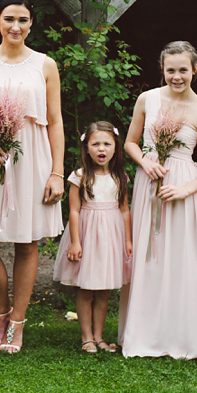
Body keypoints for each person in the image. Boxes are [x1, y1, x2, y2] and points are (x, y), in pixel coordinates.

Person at [0, 0, 65, 354]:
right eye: (9, 18)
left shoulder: (45, 65)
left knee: (27, 242)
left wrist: (57, 172)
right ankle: (2, 311)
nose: (16, 26)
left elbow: (54, 121)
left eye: (23, 19)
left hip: (32, 159)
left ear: (31, 23)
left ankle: (17, 324)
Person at [119, 40, 197, 359]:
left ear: (194, 69)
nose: (176, 77)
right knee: (149, 258)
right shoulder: (147, 99)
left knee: (180, 260)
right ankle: (144, 333)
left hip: (181, 189)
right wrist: (145, 162)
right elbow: (130, 143)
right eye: (170, 70)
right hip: (150, 183)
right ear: (162, 70)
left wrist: (186, 190)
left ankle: (183, 337)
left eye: (183, 70)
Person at [52, 121, 131, 353]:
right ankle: (86, 336)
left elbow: (125, 210)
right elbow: (74, 210)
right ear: (87, 148)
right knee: (86, 288)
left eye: (107, 144)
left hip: (111, 239)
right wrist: (76, 242)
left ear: (115, 147)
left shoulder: (120, 177)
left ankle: (99, 336)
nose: (101, 149)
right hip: (87, 237)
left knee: (104, 289)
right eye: (96, 144)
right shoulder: (79, 177)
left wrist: (127, 239)